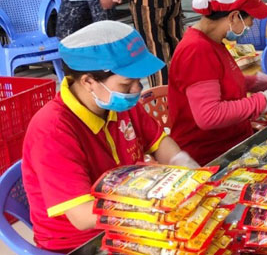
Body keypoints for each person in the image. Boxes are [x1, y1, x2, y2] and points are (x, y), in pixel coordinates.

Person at [21, 21, 198, 253]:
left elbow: (160, 143)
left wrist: (188, 169)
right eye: (127, 84)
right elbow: (82, 216)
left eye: (139, 81)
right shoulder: (52, 130)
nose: (137, 90)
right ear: (88, 82)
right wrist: (151, 207)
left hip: (128, 215)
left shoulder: (118, 103)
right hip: (81, 242)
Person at [168, 0, 267, 166]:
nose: (252, 25)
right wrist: (264, 101)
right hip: (211, 157)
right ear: (233, 16)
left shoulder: (214, 41)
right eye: (250, 19)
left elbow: (217, 81)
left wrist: (255, 83)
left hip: (235, 144)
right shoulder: (196, 50)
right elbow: (209, 115)